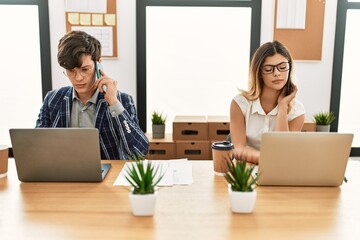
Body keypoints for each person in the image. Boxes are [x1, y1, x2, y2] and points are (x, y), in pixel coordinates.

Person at [36, 31, 149, 160]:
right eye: (71, 71)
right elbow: (39, 147)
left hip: (108, 177)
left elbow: (139, 152)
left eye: (85, 69)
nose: (78, 78)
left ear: (98, 64)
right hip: (64, 175)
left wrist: (113, 103)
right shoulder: (52, 99)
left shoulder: (122, 100)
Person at [230, 40, 305, 164]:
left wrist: (282, 107)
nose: (277, 73)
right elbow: (239, 149)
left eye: (282, 67)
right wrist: (270, 160)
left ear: (289, 68)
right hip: (245, 171)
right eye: (269, 69)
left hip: (279, 172)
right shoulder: (240, 103)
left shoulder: (297, 111)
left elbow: (283, 151)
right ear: (259, 73)